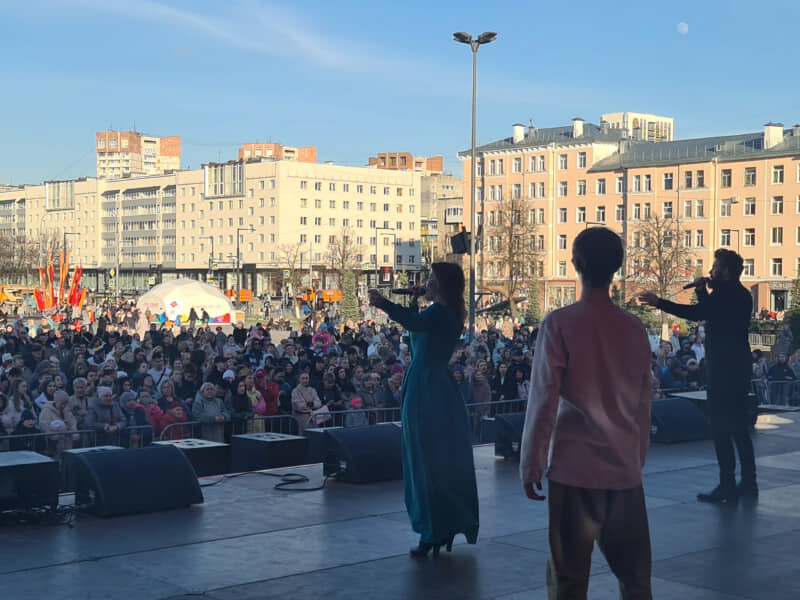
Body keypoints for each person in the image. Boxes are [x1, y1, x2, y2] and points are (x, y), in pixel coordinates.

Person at [521, 227, 653, 599]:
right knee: (636, 581)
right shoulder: (634, 328)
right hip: (624, 472)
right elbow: (643, 402)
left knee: (569, 581)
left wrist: (532, 463)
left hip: (574, 471)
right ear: (617, 267)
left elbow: (543, 400)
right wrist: (635, 460)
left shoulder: (559, 324)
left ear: (575, 264)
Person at [369, 262, 479, 558]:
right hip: (436, 384)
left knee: (423, 459)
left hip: (425, 387)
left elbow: (414, 323)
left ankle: (432, 530)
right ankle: (441, 526)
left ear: (441, 285)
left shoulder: (439, 314)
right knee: (437, 459)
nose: (426, 283)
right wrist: (414, 300)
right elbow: (418, 323)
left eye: (431, 279)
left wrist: (383, 303)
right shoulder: (448, 313)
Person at [640, 248, 756, 504]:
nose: (711, 271)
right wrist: (704, 291)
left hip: (723, 368)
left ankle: (727, 484)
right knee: (739, 427)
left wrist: (660, 302)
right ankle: (749, 482)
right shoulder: (741, 294)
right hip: (738, 366)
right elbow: (710, 311)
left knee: (720, 426)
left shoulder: (725, 295)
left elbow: (697, 313)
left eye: (715, 267)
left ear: (725, 271)